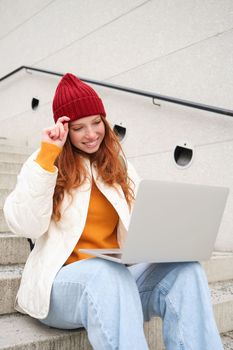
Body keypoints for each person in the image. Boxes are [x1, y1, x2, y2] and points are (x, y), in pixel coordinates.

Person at [4, 73, 223, 350]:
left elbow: (143, 221)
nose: (91, 134)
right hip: (60, 287)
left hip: (119, 280)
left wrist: (170, 240)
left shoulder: (118, 166)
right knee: (105, 274)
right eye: (79, 127)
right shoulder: (43, 163)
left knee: (186, 270)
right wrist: (48, 158)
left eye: (96, 123)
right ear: (64, 129)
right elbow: (24, 224)